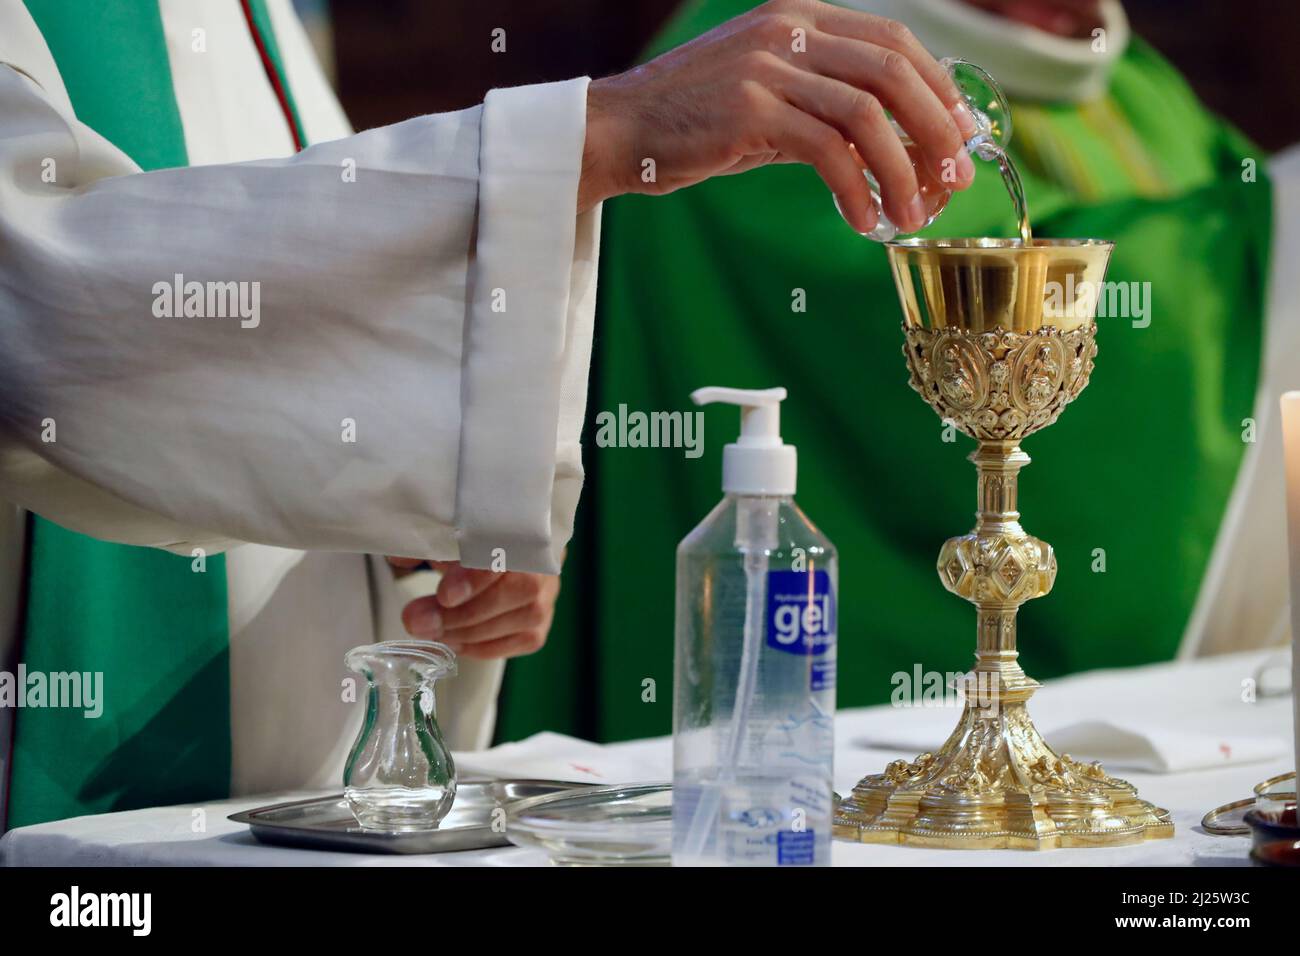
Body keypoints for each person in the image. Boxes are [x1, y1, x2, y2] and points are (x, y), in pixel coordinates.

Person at [0, 0, 978, 828]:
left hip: (297, 781)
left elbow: (291, 341)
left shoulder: (261, 17)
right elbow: (40, 300)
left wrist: (431, 524)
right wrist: (596, 134)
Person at [576, 0, 1287, 744]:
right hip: (804, 742)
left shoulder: (1133, 80)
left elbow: (1244, 215)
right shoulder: (780, 61)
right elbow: (893, 288)